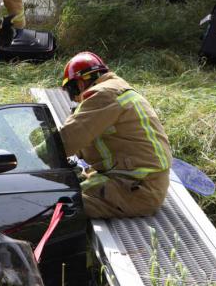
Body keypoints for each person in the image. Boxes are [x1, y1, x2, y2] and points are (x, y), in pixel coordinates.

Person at [59, 52, 171, 218]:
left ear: (80, 84)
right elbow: (89, 140)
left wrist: (29, 158)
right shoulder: (117, 88)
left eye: (72, 91)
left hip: (134, 190)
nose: (75, 99)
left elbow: (64, 142)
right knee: (73, 183)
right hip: (142, 182)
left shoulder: (103, 95)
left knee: (56, 204)